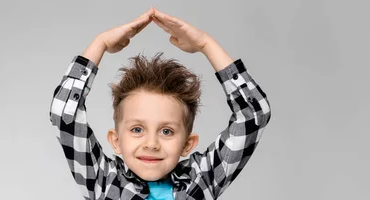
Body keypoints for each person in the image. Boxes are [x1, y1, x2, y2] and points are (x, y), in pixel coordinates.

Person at [49, 7, 272, 200]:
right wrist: (101, 43)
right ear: (116, 141)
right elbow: (64, 114)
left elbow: (253, 114)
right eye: (137, 129)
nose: (151, 143)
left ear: (188, 143)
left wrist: (206, 44)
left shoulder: (201, 179)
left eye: (167, 131)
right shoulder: (103, 181)